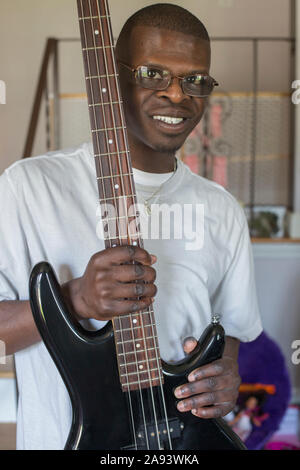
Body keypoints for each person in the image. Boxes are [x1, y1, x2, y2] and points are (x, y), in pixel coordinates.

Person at [0, 3, 262, 450]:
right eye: (152, 73)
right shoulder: (29, 187)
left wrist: (227, 380)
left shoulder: (221, 209)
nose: (178, 95)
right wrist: (76, 298)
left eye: (196, 80)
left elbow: (230, 335)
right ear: (112, 77)